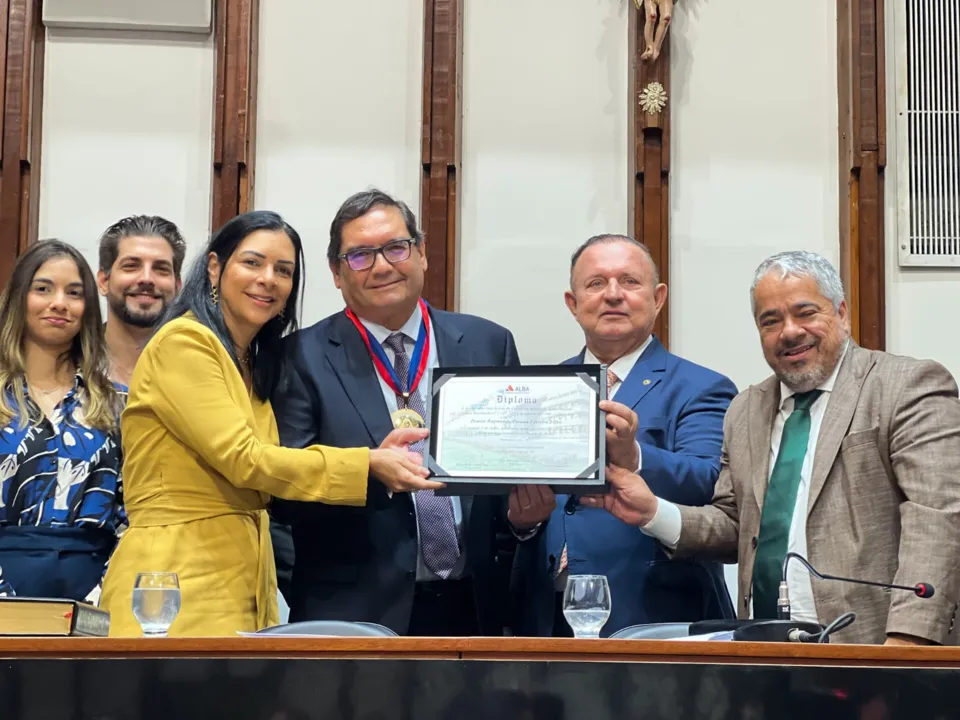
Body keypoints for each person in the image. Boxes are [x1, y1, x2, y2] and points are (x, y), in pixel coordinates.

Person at [582, 250, 960, 645]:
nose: (790, 331)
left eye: (806, 312)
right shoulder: (745, 411)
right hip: (765, 653)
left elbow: (938, 519)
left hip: (874, 648)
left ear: (842, 313)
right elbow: (734, 528)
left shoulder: (906, 385)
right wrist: (652, 512)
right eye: (771, 321)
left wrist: (908, 643)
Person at [100, 210, 440, 637]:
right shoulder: (184, 342)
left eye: (284, 270)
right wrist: (366, 464)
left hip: (244, 579)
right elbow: (246, 460)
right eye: (253, 262)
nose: (268, 279)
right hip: (175, 579)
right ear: (215, 267)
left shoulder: (253, 360)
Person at [271, 189, 521, 636]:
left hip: (476, 609)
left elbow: (507, 476)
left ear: (421, 254)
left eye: (396, 248)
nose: (383, 266)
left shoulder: (488, 344)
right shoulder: (299, 357)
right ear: (336, 272)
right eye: (361, 256)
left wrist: (524, 524)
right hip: (354, 616)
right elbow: (282, 495)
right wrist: (368, 472)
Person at [510, 234, 736, 637]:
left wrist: (635, 458)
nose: (613, 295)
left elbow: (709, 481)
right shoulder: (539, 388)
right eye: (596, 284)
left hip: (653, 614)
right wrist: (523, 524)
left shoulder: (702, 386)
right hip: (545, 617)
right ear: (572, 303)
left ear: (658, 297)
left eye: (629, 282)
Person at [0, 240, 125, 603]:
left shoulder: (116, 404)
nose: (59, 303)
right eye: (43, 289)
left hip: (95, 593)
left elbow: (133, 511)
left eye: (74, 293)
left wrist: (104, 592)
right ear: (19, 297)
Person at [97, 215, 186, 386]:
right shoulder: (66, 369)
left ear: (177, 286)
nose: (146, 279)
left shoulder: (198, 371)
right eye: (131, 266)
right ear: (104, 281)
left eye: (161, 269)